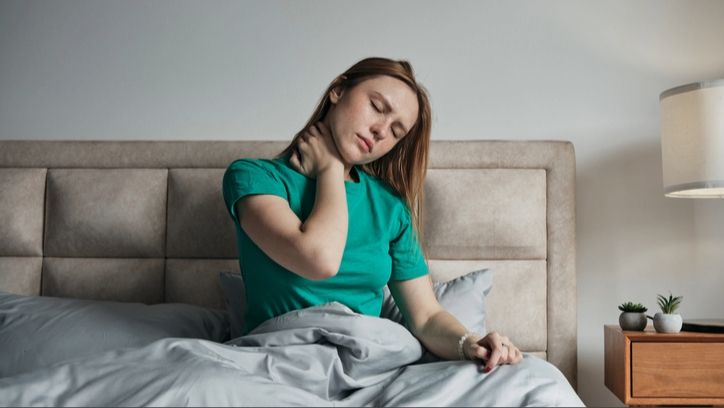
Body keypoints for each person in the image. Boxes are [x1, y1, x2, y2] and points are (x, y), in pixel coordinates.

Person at [222, 57, 523, 373]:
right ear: (338, 90)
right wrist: (330, 169)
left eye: (396, 131)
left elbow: (426, 317)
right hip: (278, 360)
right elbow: (319, 259)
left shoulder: (389, 207)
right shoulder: (255, 178)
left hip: (369, 364)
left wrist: (469, 343)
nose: (381, 131)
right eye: (377, 107)